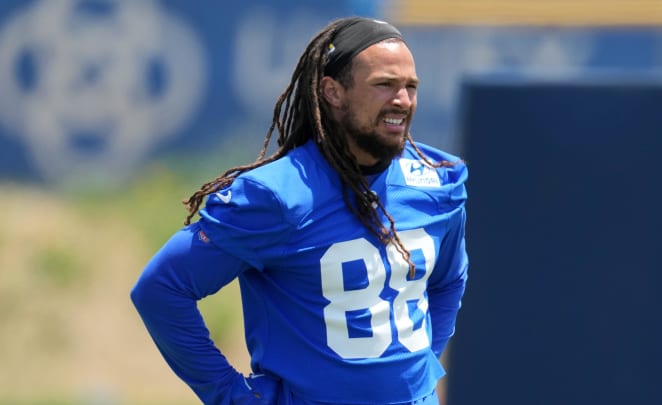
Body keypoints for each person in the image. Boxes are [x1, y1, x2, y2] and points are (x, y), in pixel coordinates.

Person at [130, 16, 468, 405]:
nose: (402, 100)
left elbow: (448, 280)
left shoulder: (437, 180)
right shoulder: (278, 195)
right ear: (332, 92)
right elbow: (161, 289)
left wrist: (423, 366)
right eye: (384, 85)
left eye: (411, 87)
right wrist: (231, 395)